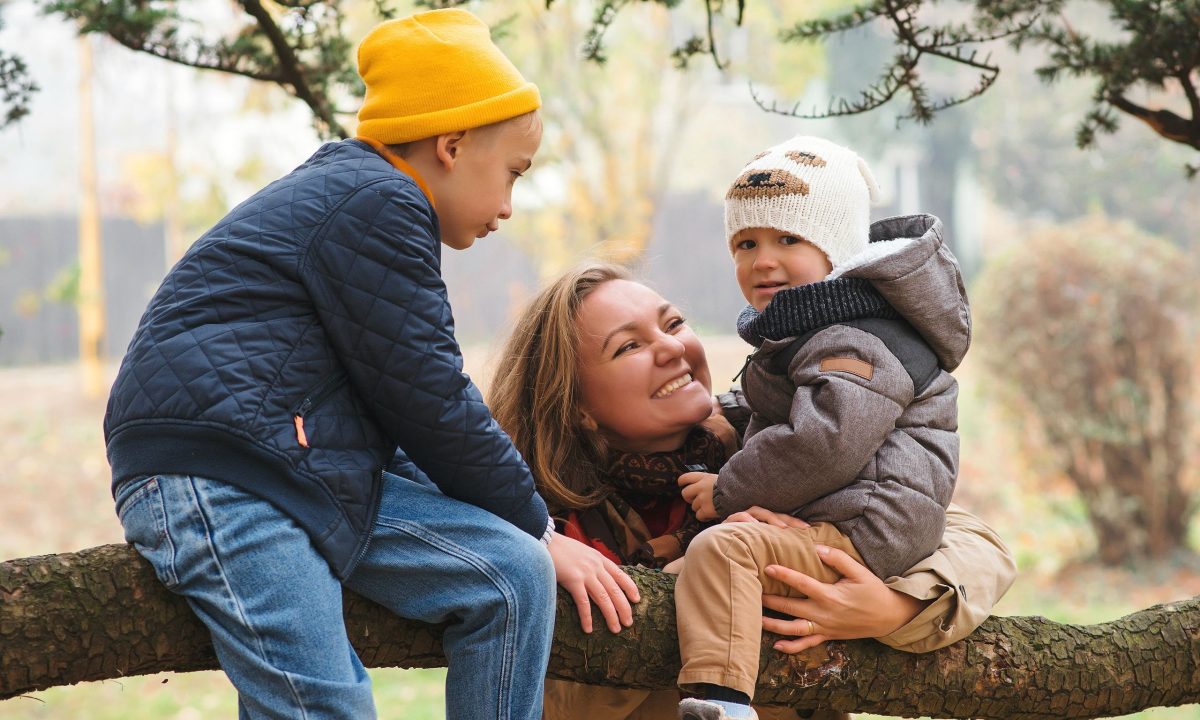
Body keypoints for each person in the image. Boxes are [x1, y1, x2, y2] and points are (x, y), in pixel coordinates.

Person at [103, 9, 633, 719]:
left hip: (303, 470)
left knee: (509, 577)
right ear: (449, 145)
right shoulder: (375, 201)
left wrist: (522, 542)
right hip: (220, 475)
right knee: (326, 707)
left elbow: (394, 412)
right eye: (512, 172)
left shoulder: (368, 203)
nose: (509, 205)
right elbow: (429, 397)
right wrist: (539, 524)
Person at [487, 264, 1015, 720]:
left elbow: (975, 543)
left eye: (673, 324)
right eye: (629, 346)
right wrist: (700, 571)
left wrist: (892, 606)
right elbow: (549, 697)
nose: (672, 346)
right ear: (576, 404)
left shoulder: (780, 449)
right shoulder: (542, 520)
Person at [671, 135, 972, 719]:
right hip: (847, 514)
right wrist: (727, 413)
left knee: (725, 550)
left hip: (868, 524)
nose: (762, 259)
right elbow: (791, 406)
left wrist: (728, 489)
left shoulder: (855, 337)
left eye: (789, 239)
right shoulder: (814, 328)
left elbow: (825, 441)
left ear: (837, 251)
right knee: (702, 566)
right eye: (745, 242)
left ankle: (723, 705)